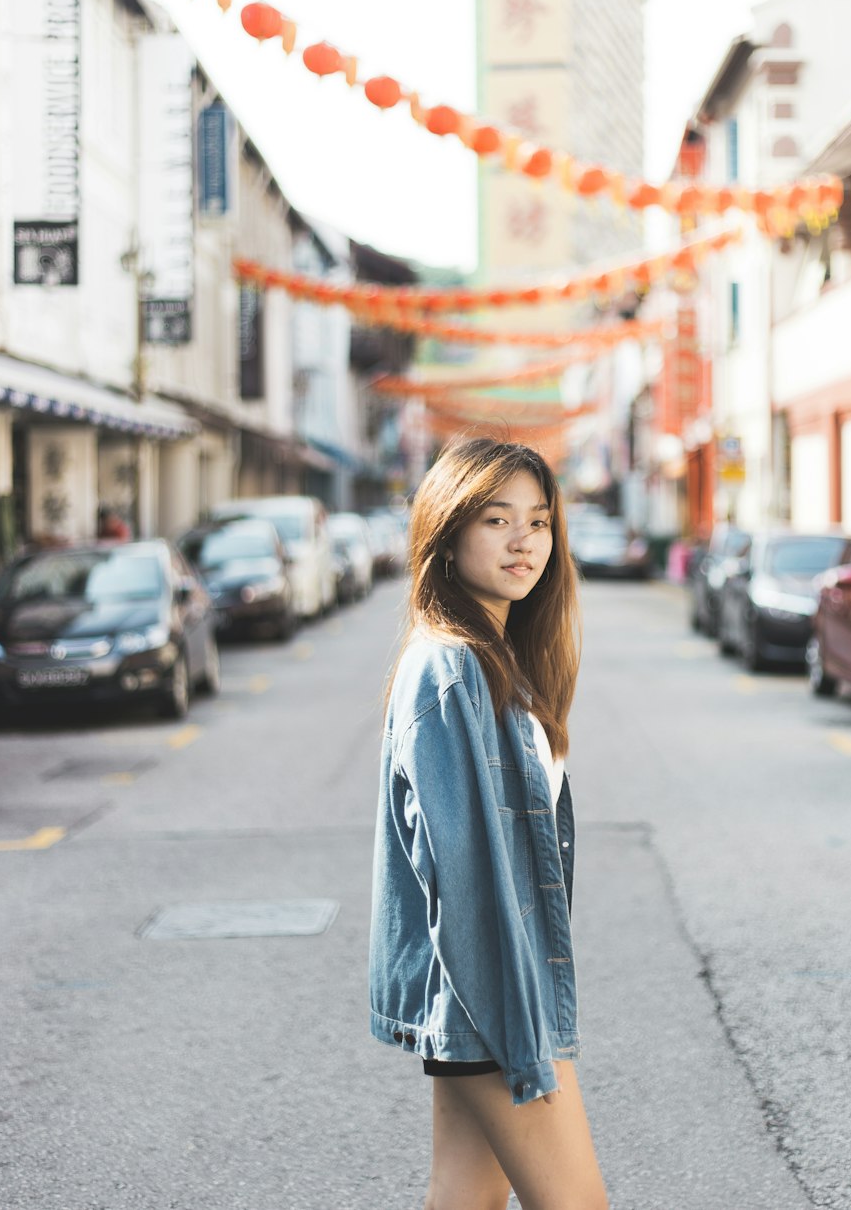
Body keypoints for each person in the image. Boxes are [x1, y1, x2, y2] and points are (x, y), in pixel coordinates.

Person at [369, 436, 609, 1210]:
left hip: (482, 995)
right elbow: (466, 877)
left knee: (463, 1200)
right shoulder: (450, 667)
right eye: (496, 520)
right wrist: (518, 1030)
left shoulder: (493, 656)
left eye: (538, 522)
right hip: (491, 997)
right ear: (447, 531)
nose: (523, 542)